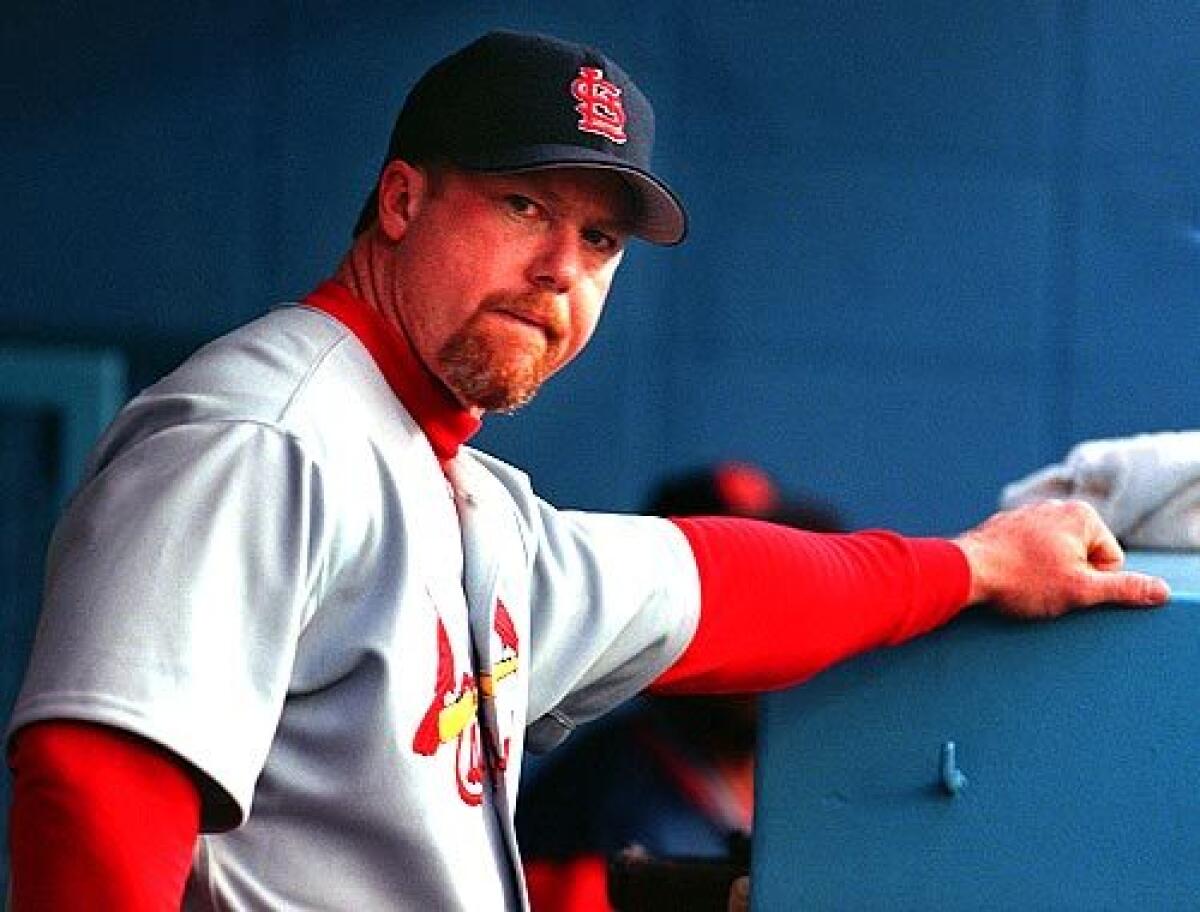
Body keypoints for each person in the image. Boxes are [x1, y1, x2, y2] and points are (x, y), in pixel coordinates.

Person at [3, 29, 1169, 912]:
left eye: (601, 241)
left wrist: (970, 565)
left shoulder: (457, 491)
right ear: (403, 200)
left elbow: (710, 587)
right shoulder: (266, 438)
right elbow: (94, 794)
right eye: (524, 205)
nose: (562, 267)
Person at [517, 462, 844, 911]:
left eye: (770, 601)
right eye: (732, 605)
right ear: (661, 622)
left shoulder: (801, 788)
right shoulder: (589, 806)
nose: (761, 632)